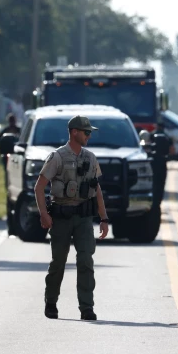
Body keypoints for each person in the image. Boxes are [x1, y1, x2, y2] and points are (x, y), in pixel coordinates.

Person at [34, 115, 110, 321]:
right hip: (61, 217)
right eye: (86, 132)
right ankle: (51, 302)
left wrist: (103, 218)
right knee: (58, 261)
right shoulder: (57, 157)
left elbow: (97, 189)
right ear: (74, 132)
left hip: (84, 218)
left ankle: (86, 307)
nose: (89, 136)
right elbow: (39, 187)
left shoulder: (90, 158)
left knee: (86, 261)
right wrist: (44, 214)